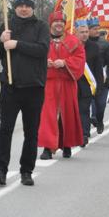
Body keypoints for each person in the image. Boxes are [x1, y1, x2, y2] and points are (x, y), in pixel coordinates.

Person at [0, 0, 49, 186]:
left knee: (31, 132)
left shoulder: (41, 26)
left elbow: (42, 50)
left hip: (34, 87)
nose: (24, 9)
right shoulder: (6, 26)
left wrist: (17, 44)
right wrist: (0, 41)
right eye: (20, 5)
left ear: (32, 8)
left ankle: (26, 170)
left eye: (27, 6)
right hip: (11, 87)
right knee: (5, 129)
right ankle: (0, 169)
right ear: (15, 7)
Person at [38, 11, 85, 159]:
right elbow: (35, 56)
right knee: (48, 115)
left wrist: (65, 63)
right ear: (50, 24)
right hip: (49, 82)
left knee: (67, 114)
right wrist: (44, 63)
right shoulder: (42, 40)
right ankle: (47, 147)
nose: (59, 24)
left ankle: (66, 144)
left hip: (67, 83)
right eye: (56, 22)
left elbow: (80, 60)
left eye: (62, 22)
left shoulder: (73, 41)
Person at [84, 18, 109, 135]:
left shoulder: (106, 44)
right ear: (88, 30)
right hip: (86, 79)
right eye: (94, 29)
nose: (97, 31)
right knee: (85, 106)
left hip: (102, 79)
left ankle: (99, 120)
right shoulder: (81, 43)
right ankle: (85, 130)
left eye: (98, 28)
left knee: (101, 104)